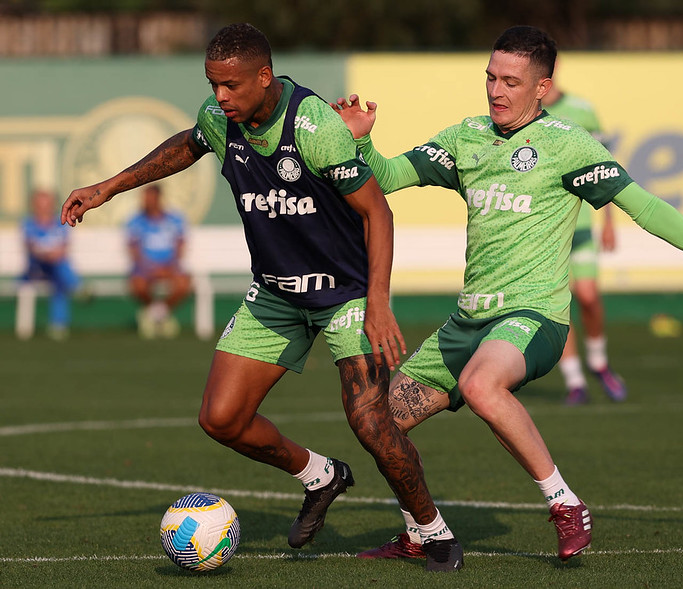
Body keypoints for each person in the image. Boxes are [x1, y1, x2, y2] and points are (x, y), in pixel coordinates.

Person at [332, 25, 683, 562]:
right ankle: (423, 532)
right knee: (378, 424)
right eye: (490, 78)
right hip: (467, 324)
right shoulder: (466, 138)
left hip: (533, 318)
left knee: (482, 385)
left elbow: (645, 206)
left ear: (542, 87)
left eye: (511, 81)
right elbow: (383, 178)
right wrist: (358, 140)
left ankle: (564, 503)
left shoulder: (568, 146)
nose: (496, 91)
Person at [61, 23, 462, 573]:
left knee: (370, 420)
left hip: (344, 293)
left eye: (229, 85)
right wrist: (107, 188)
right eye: (212, 84)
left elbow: (377, 212)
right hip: (274, 293)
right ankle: (321, 476)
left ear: (264, 77)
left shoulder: (315, 126)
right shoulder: (218, 118)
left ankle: (431, 530)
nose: (219, 97)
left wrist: (378, 300)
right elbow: (186, 144)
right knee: (221, 419)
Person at [542, 82, 627, 405]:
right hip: (546, 232)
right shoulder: (526, 113)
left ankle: (598, 361)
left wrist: (607, 221)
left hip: (580, 228)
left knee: (589, 297)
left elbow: (602, 167)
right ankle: (575, 380)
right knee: (558, 304)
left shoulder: (582, 110)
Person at [126, 184, 191, 338]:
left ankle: (155, 315)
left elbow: (180, 247)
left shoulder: (174, 220)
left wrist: (168, 268)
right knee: (137, 284)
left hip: (170, 268)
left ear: (158, 198)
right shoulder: (136, 221)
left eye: (149, 198)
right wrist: (151, 268)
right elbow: (134, 251)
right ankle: (162, 317)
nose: (145, 201)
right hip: (145, 269)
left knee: (184, 283)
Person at [20, 189, 83, 340]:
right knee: (59, 268)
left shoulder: (59, 223)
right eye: (40, 204)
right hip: (36, 268)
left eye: (46, 203)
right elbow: (31, 247)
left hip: (55, 267)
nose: (44, 207)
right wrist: (47, 255)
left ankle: (58, 325)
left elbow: (64, 247)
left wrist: (53, 255)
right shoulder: (29, 223)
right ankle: (78, 287)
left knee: (59, 278)